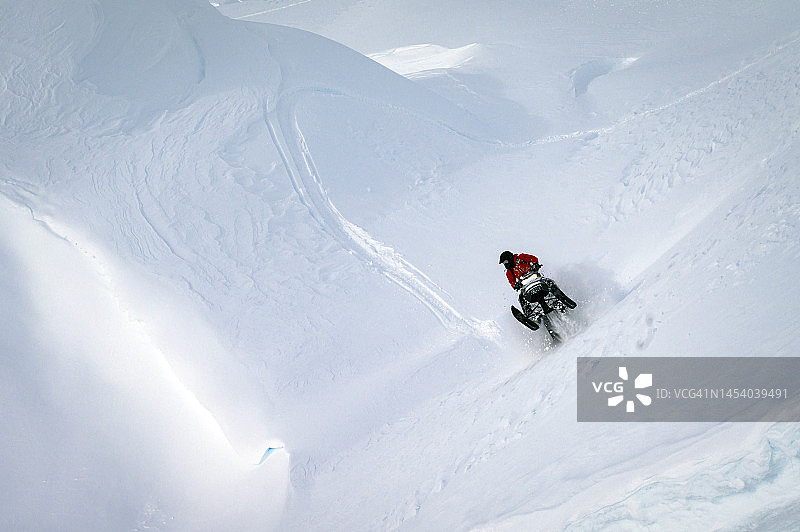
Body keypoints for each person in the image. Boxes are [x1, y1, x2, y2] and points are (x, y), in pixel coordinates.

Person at [499, 250, 576, 316]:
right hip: (525, 285)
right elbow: (511, 281)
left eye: (505, 262)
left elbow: (533, 258)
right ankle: (529, 314)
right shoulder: (509, 272)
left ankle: (560, 296)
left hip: (535, 277)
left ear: (510, 258)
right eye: (504, 263)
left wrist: (535, 264)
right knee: (521, 297)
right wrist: (515, 285)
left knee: (548, 282)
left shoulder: (521, 258)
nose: (505, 264)